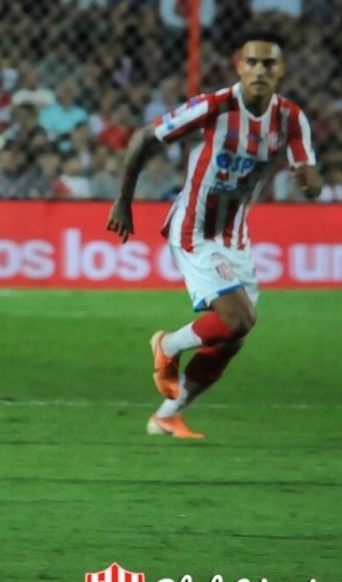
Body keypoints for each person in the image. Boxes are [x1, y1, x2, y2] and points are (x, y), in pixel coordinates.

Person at [106, 31, 322, 439]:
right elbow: (143, 138)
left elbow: (310, 180)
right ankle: (167, 345)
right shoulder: (214, 106)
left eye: (269, 63)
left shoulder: (291, 119)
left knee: (232, 338)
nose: (260, 70)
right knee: (239, 318)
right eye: (252, 62)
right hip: (195, 229)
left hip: (235, 237)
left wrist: (310, 182)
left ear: (281, 70)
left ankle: (167, 416)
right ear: (239, 66)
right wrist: (123, 200)